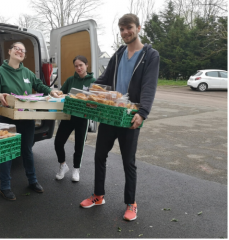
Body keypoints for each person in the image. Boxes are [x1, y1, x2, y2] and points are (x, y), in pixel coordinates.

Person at [79, 13, 160, 221]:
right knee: (99, 155)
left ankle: (131, 203)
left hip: (130, 116)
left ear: (139, 28)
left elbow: (148, 86)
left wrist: (142, 113)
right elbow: (104, 79)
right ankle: (98, 195)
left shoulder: (150, 56)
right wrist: (88, 92)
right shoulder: (119, 53)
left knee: (128, 161)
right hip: (111, 114)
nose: (125, 32)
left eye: (129, 28)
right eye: (122, 29)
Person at [0, 42, 60, 201]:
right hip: (7, 118)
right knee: (7, 152)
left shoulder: (27, 72)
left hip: (26, 118)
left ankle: (32, 180)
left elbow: (39, 85)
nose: (20, 52)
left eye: (23, 51)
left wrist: (51, 91)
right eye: (16, 48)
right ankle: (5, 187)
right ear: (9, 51)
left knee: (27, 151)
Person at [54, 55, 96, 182]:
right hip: (68, 116)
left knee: (79, 146)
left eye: (81, 65)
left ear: (86, 65)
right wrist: (58, 93)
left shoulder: (92, 81)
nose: (78, 68)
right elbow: (62, 93)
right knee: (58, 142)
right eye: (76, 66)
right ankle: (63, 165)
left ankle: (76, 169)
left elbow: (95, 102)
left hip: (82, 117)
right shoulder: (70, 80)